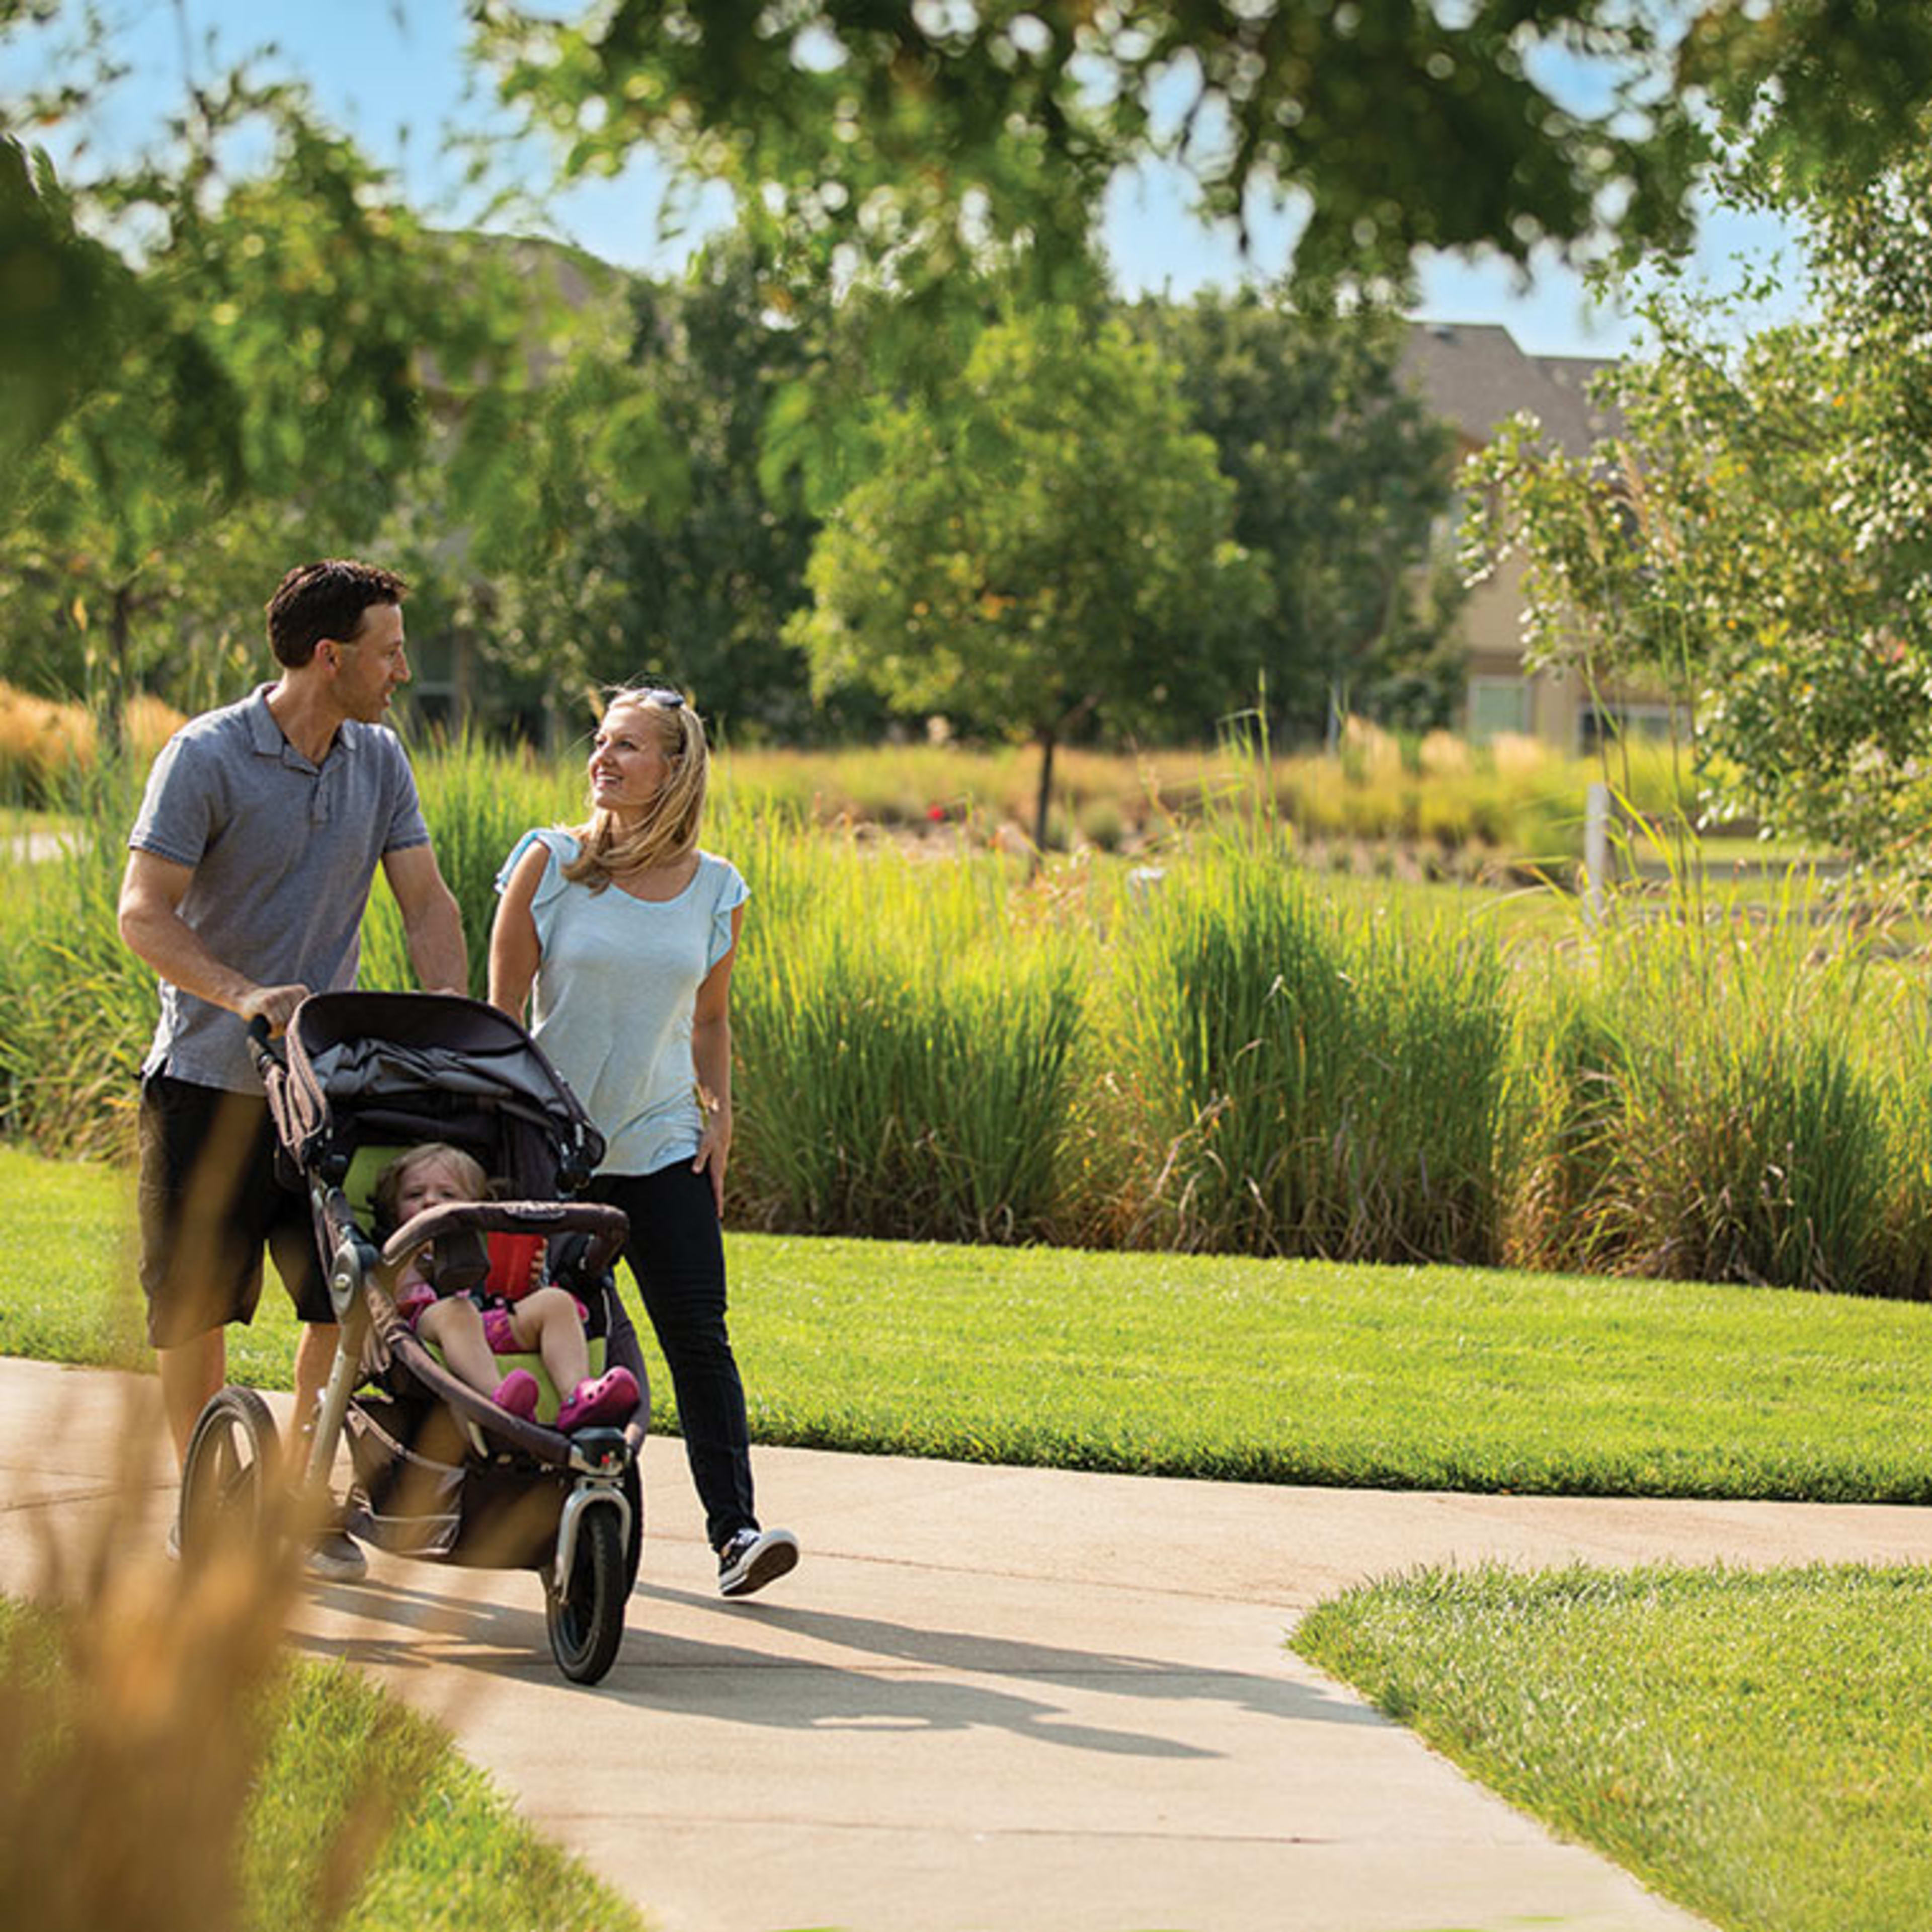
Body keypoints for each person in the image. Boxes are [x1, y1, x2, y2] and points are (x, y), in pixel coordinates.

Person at [118, 559, 467, 1580]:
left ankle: (303, 1496)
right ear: (332, 656)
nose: (403, 668)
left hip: (327, 1093)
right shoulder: (207, 756)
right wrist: (244, 995)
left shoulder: (378, 760)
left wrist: (447, 1017)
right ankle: (206, 1502)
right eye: (390, 650)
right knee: (196, 1306)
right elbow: (144, 912)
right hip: (208, 1081)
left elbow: (427, 904)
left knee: (343, 1301)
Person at [489, 683, 798, 1599]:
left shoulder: (717, 889)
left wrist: (721, 1111)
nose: (605, 758)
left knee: (699, 1338)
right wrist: (507, 1136)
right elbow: (499, 1016)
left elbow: (710, 1020)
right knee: (581, 1348)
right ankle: (586, 1538)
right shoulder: (548, 865)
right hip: (558, 1156)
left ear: (675, 767)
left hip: (664, 1147)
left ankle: (735, 1533)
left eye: (629, 745)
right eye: (601, 741)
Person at [371, 1142, 640, 1431]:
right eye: (414, 1195)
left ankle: (577, 1395)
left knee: (556, 1301)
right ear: (393, 1205)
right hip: (428, 1327)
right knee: (457, 1310)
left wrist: (533, 1280)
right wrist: (417, 1249)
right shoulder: (396, 1248)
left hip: (493, 1321)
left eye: (447, 1195)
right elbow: (389, 1289)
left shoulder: (489, 1241)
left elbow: (511, 1294)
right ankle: (497, 1398)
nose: (430, 1202)